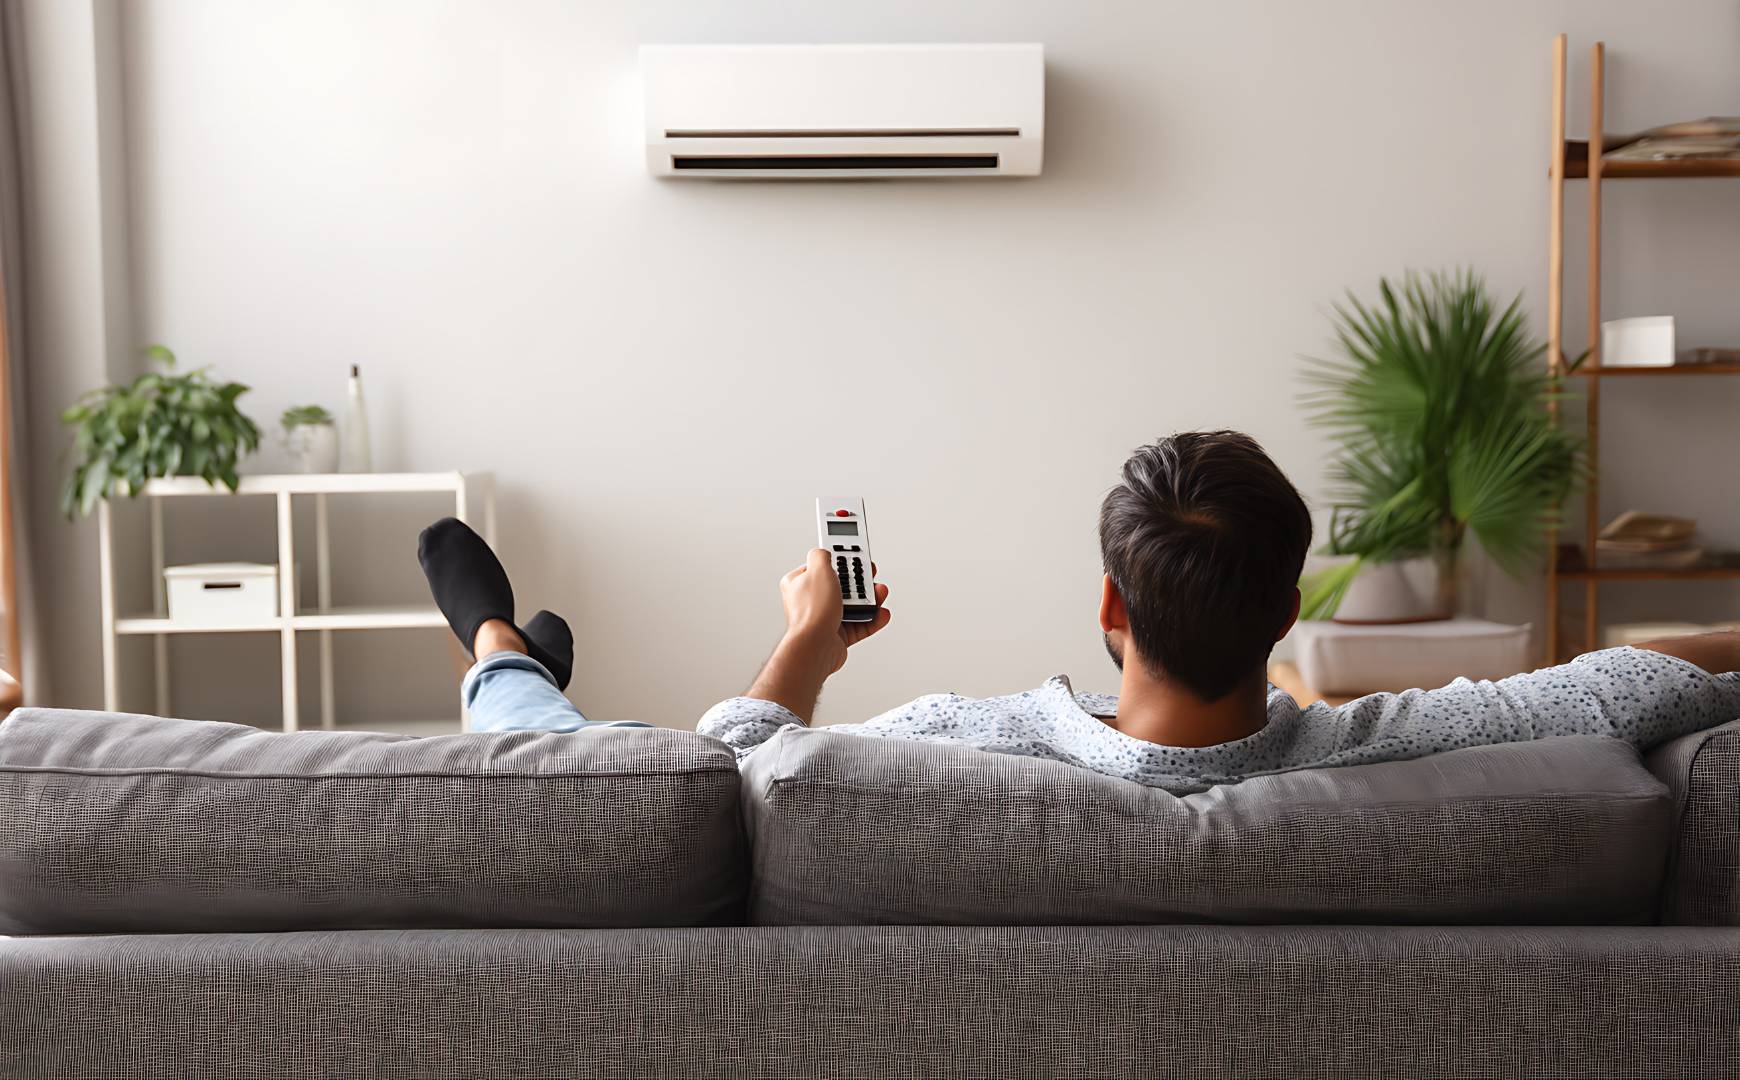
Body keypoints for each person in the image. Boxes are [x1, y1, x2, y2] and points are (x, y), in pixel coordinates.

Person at [418, 430, 1740, 794]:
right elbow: (1626, 684)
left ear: (1110, 601)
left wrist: (807, 648)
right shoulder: (1385, 751)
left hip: (703, 724)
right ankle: (508, 655)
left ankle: (497, 651)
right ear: (1285, 612)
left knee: (581, 758)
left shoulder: (961, 745)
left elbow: (706, 782)